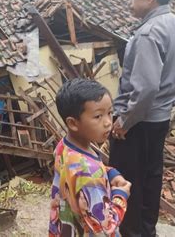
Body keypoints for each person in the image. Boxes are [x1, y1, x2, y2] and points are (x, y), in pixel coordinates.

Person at [109, 0, 175, 237]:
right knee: (151, 177)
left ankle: (133, 232)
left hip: (138, 123)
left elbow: (145, 88)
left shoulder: (148, 32)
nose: (130, 2)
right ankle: (147, 230)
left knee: (127, 181)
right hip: (158, 120)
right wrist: (170, 101)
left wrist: (124, 121)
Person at [49, 79, 131, 236]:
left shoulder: (64, 146)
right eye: (98, 116)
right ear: (73, 123)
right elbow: (105, 227)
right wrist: (120, 195)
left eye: (110, 113)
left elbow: (80, 168)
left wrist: (110, 173)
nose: (108, 122)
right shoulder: (87, 173)